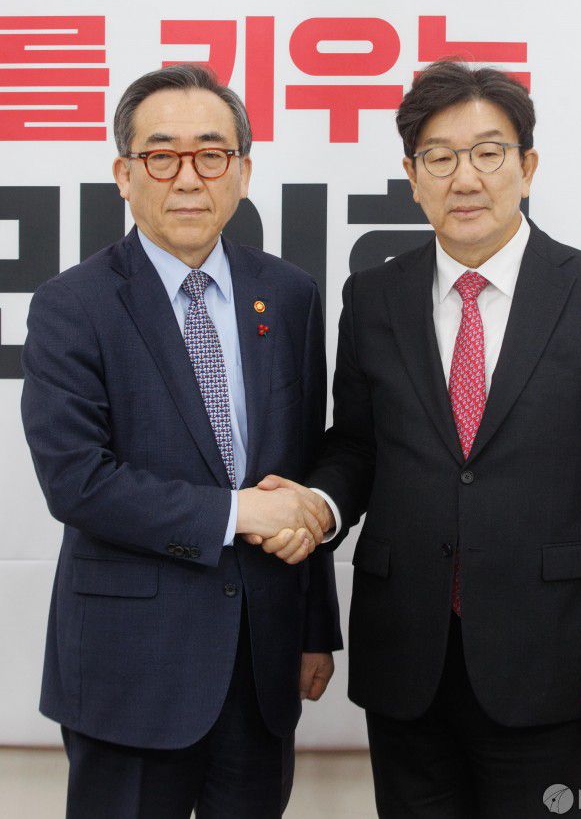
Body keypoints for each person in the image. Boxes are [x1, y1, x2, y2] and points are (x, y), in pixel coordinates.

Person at [259, 61, 581, 817]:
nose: (466, 178)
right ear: (413, 177)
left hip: (550, 656)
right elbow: (357, 447)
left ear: (527, 166)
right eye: (440, 157)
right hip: (406, 655)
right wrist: (318, 504)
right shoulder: (374, 296)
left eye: (488, 152)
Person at [20, 63, 341, 819]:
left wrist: (314, 629)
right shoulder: (73, 304)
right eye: (162, 156)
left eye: (212, 154)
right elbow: (77, 482)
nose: (188, 178)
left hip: (261, 665)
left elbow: (300, 468)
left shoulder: (289, 294)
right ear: (124, 175)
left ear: (243, 172)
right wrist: (237, 513)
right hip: (130, 668)